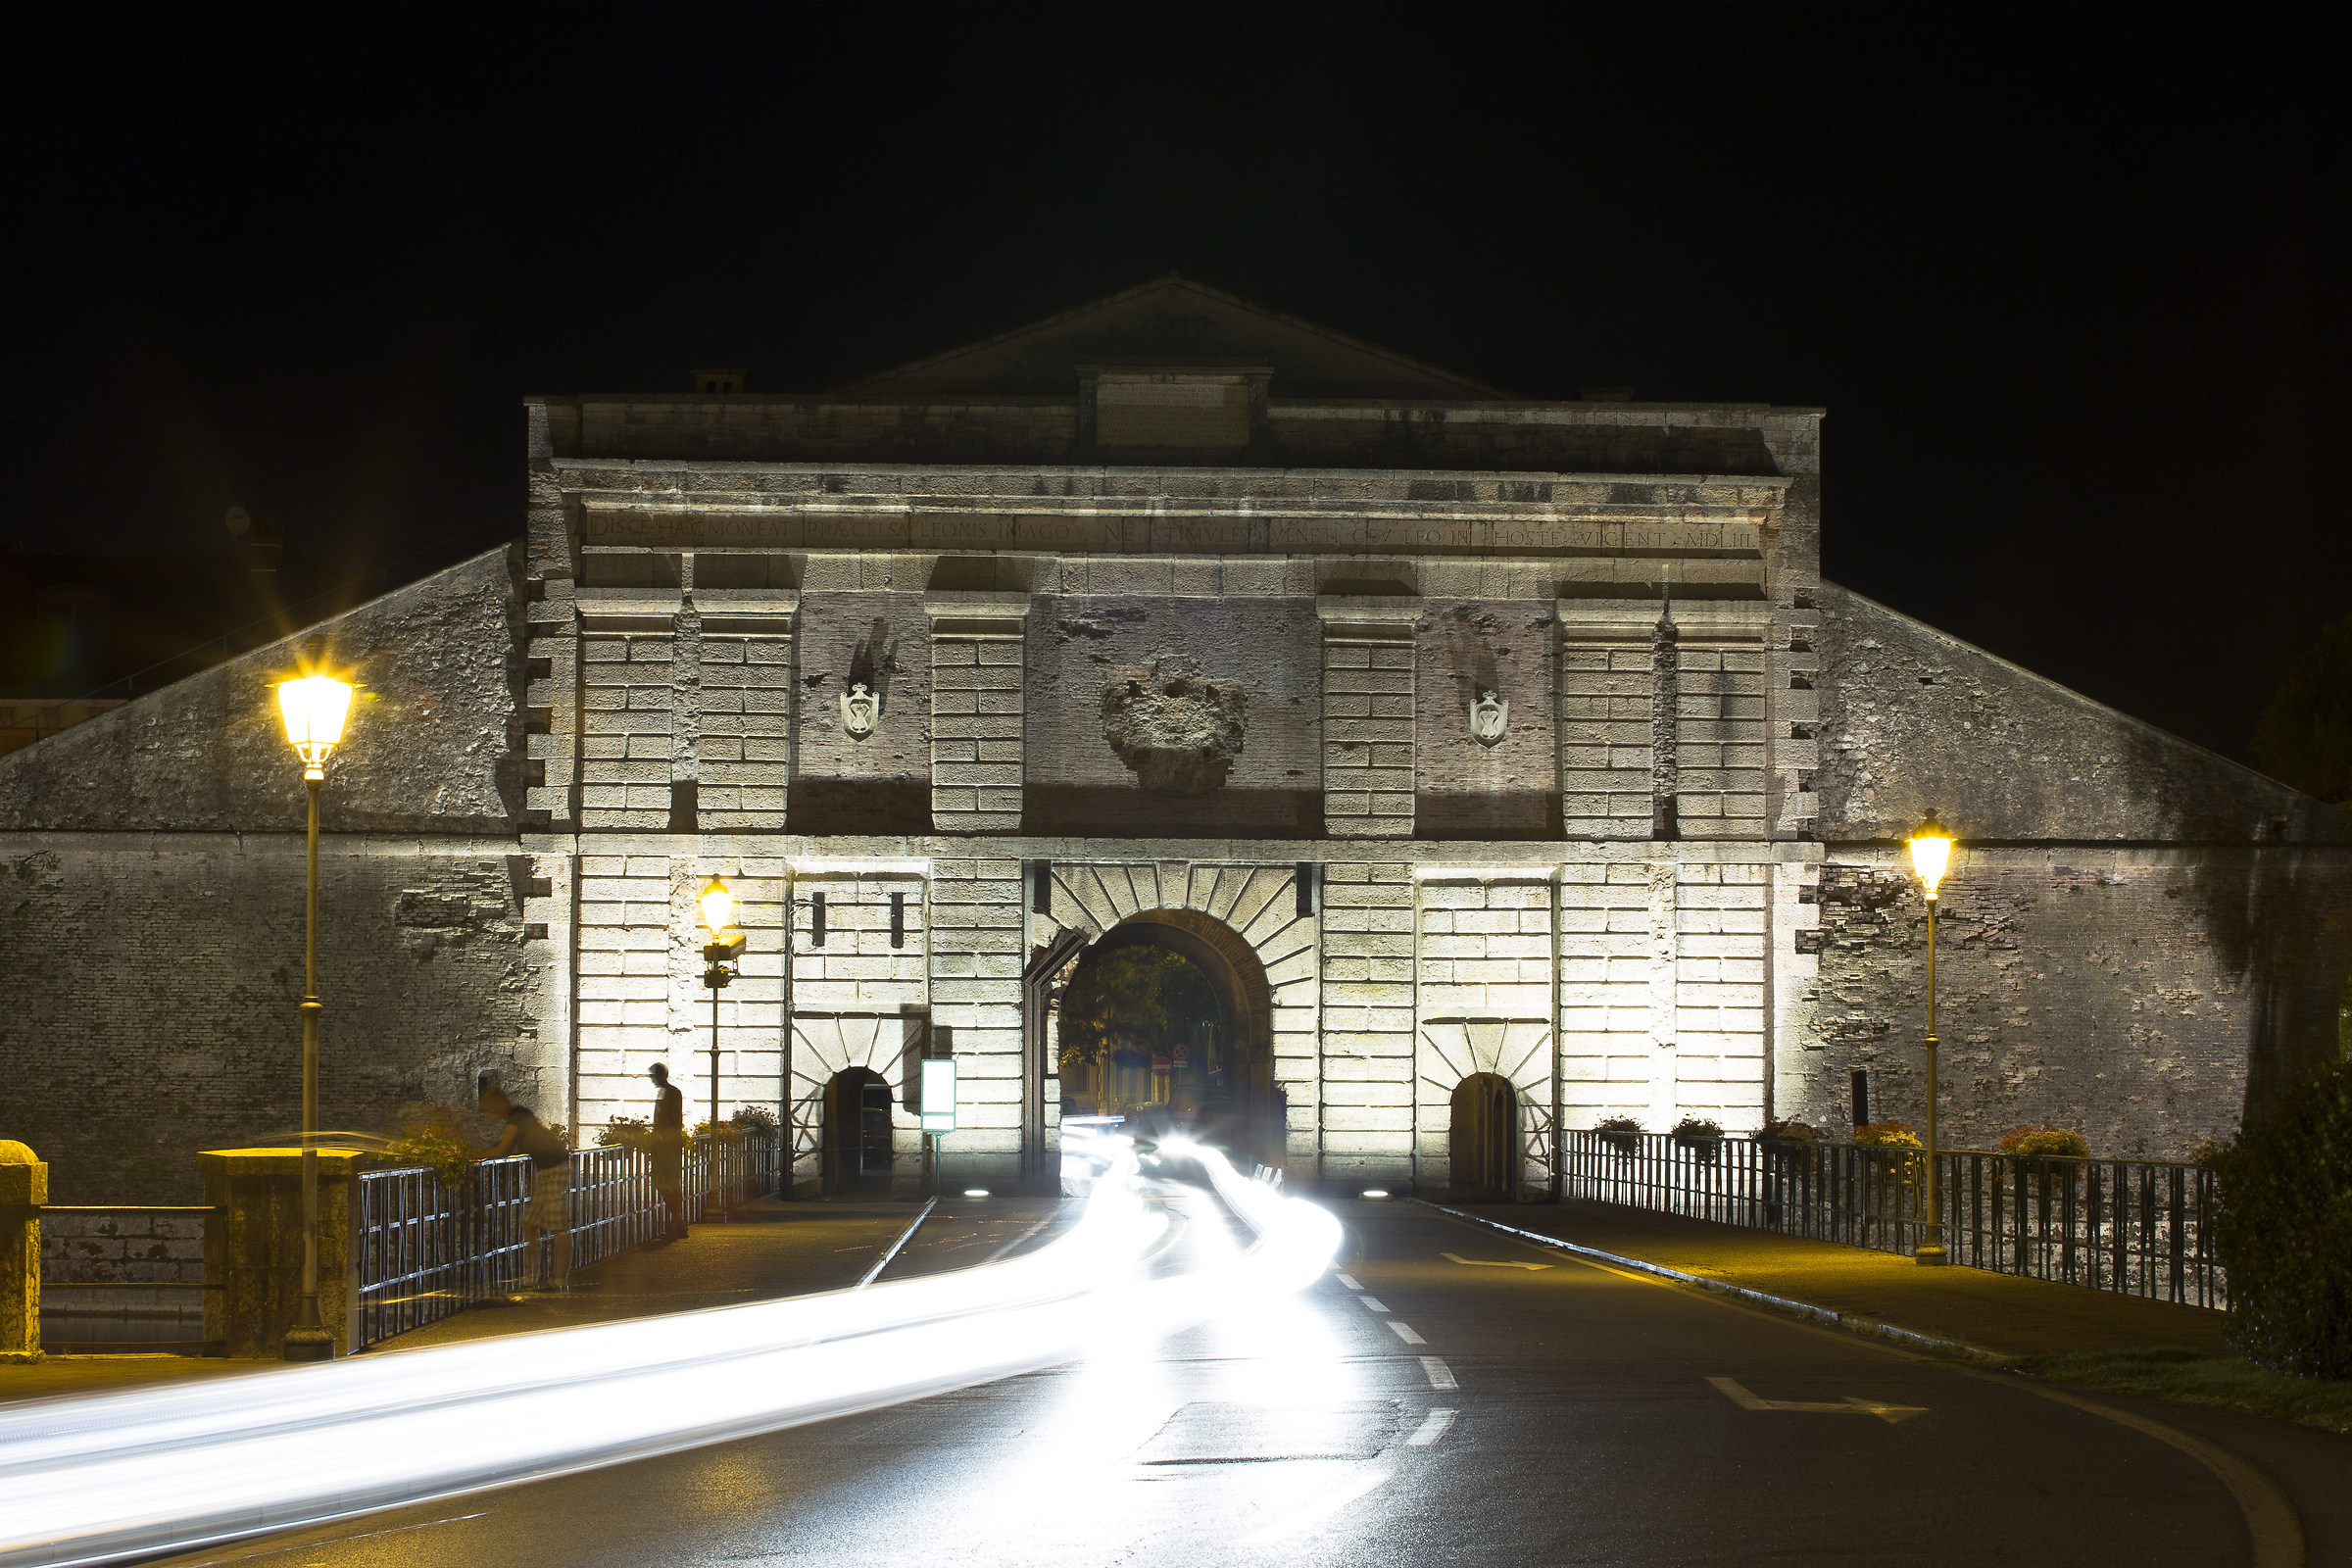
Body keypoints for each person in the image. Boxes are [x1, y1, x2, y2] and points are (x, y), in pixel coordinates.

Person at [478, 1073, 573, 1292]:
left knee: (559, 1227)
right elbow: (507, 1148)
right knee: (529, 1223)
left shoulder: (516, 1117)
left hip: (554, 1168)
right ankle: (531, 1276)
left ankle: (559, 1278)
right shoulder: (518, 1117)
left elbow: (503, 1149)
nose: (491, 1116)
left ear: (498, 1104)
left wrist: (475, 1155)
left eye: (490, 1110)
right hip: (548, 1169)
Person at [649, 1062, 688, 1241]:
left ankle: (678, 1223)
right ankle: (678, 1224)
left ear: (661, 1075)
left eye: (653, 1076)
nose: (652, 1079)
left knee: (668, 1182)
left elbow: (673, 1120)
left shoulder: (672, 1092)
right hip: (663, 1146)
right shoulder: (666, 1092)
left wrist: (662, 1137)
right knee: (664, 1182)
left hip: (668, 1147)